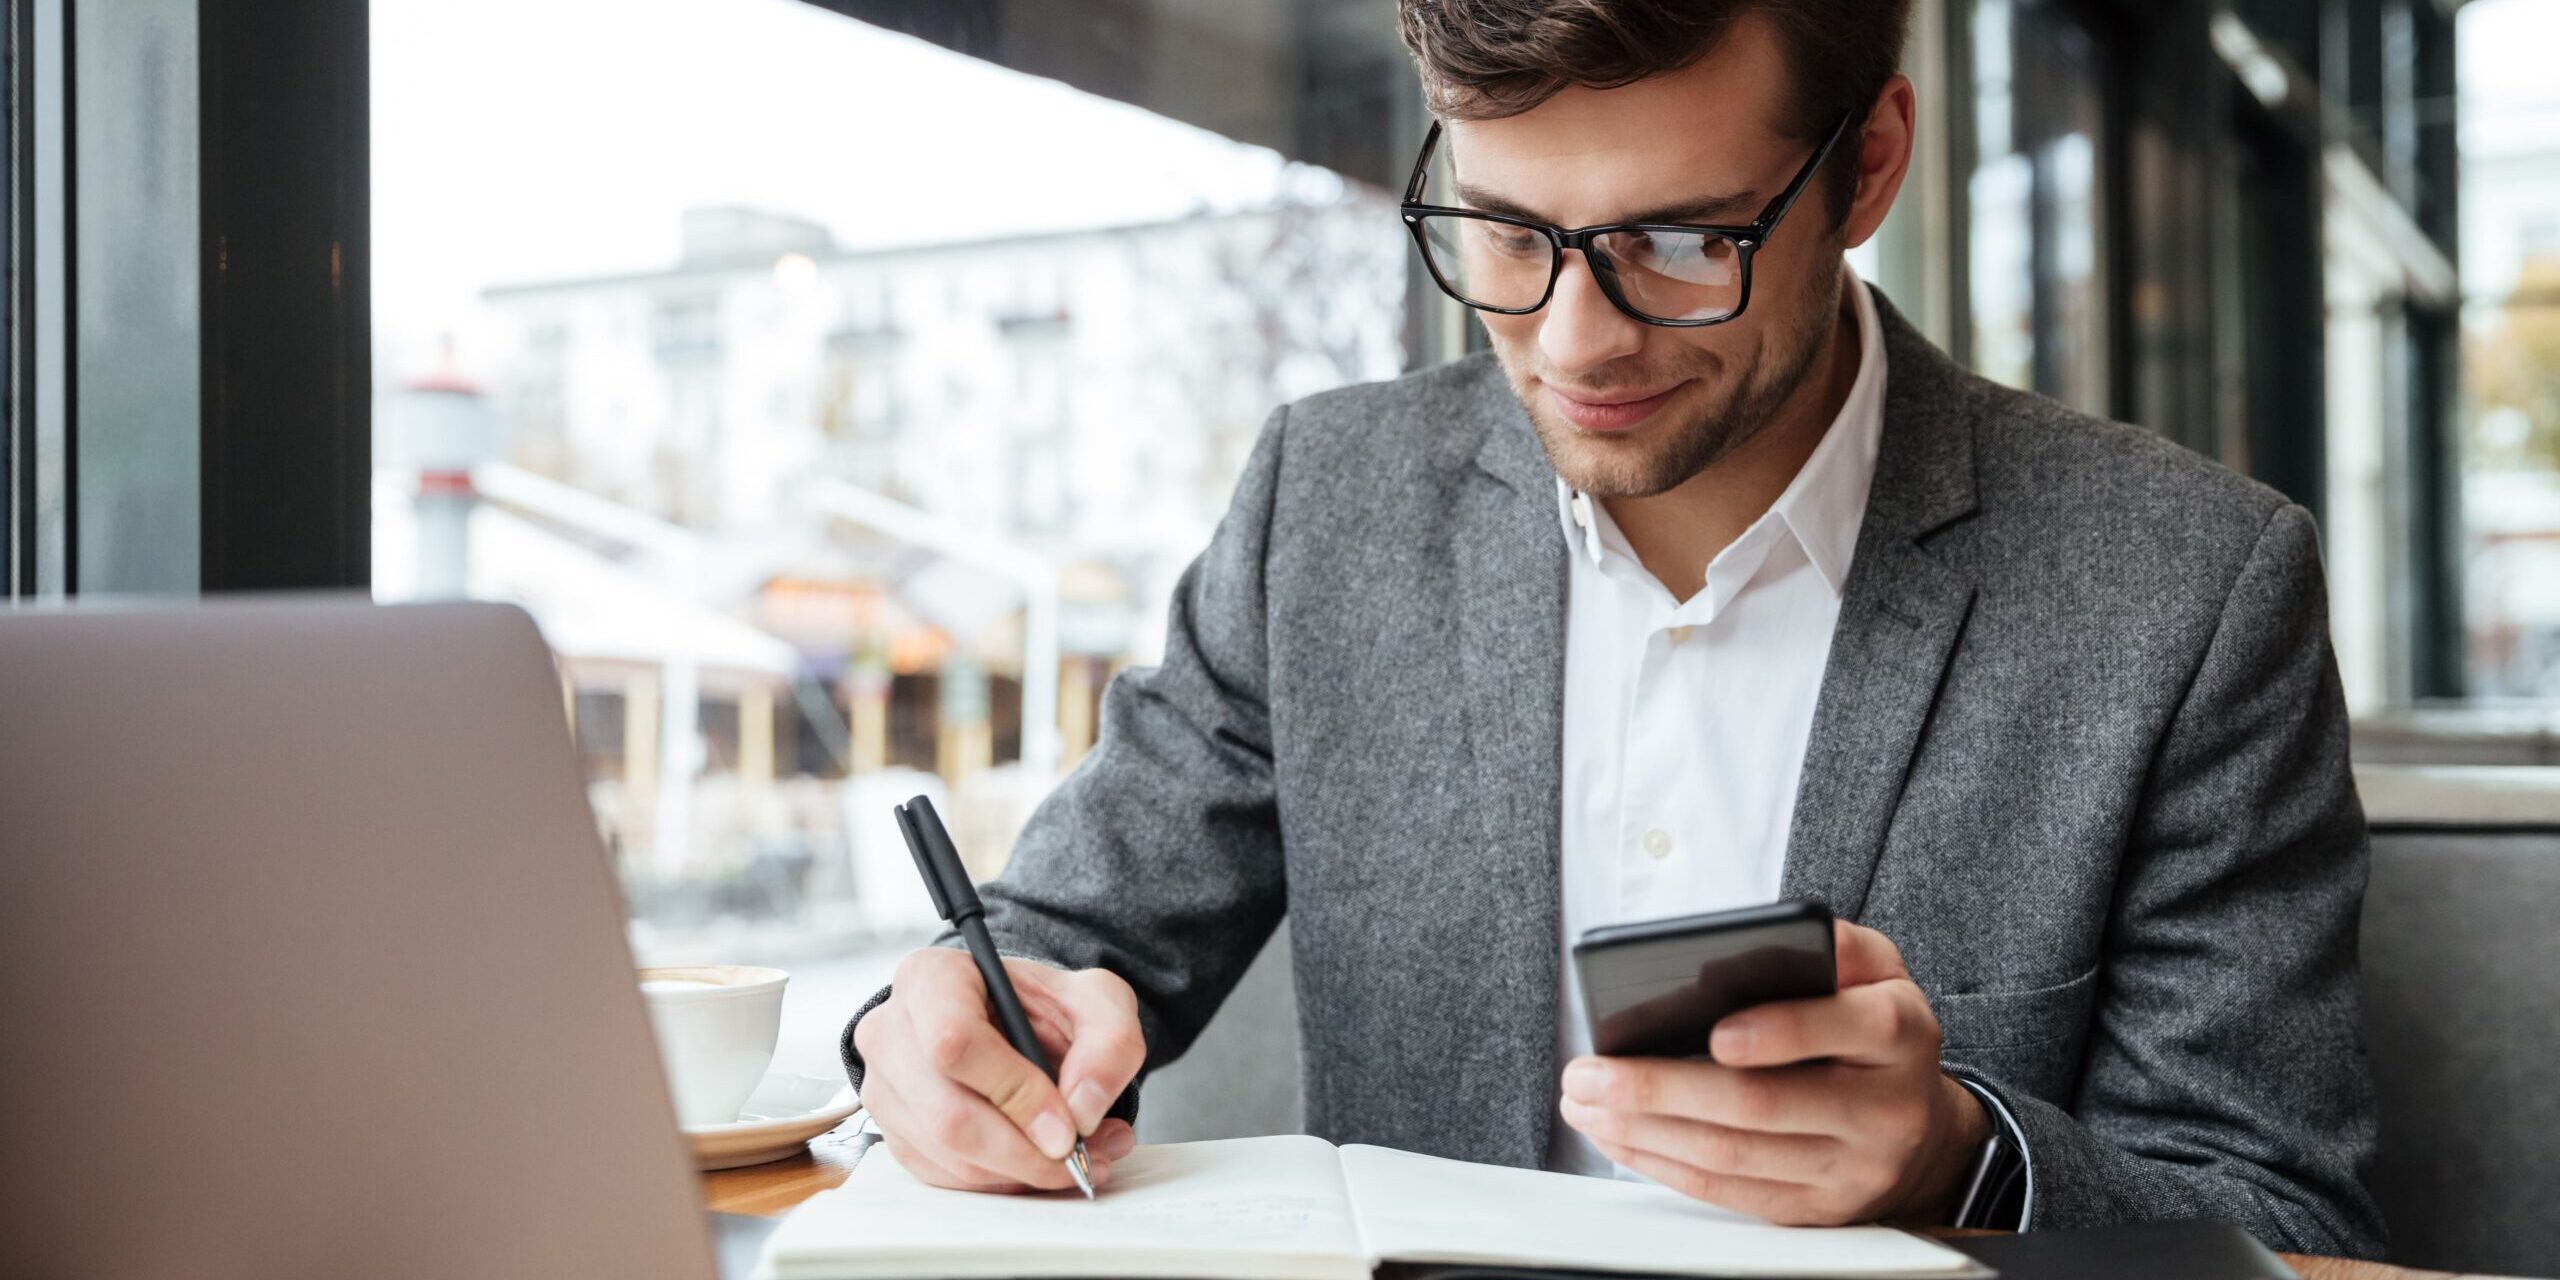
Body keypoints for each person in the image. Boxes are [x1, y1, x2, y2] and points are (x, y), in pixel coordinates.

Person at [842, 0, 2383, 1256]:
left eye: (1683, 242)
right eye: (1507, 234)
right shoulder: (1329, 503)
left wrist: (1961, 1157)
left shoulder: (2186, 590)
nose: (1575, 342)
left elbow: (2282, 1220)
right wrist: (951, 1035)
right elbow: (1063, 944)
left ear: (1871, 166)